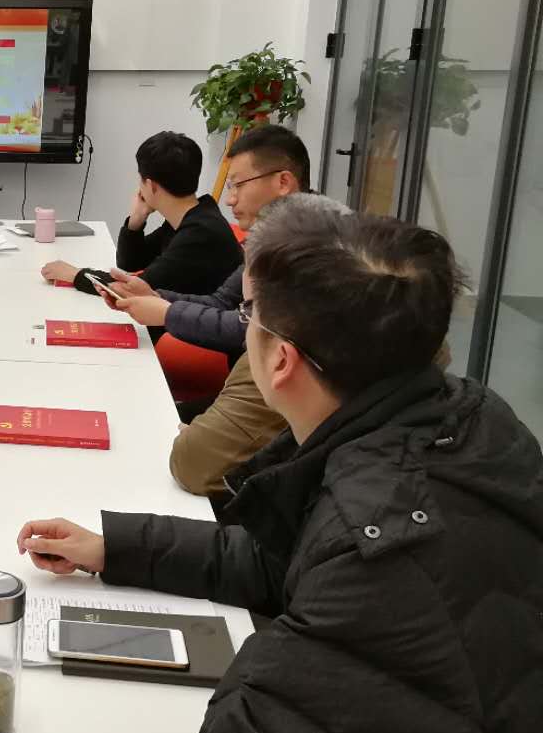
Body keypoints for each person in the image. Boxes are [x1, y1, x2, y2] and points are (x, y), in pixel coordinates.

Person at [16, 202, 543, 733]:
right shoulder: (454, 417)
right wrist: (116, 547)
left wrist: (277, 647)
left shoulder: (381, 544)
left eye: (249, 317)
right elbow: (292, 561)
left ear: (281, 360)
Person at [166, 194, 348, 501]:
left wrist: (203, 437)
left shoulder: (285, 340)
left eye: (249, 311)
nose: (230, 198)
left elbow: (194, 462)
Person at [104, 124, 313, 358]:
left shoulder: (313, 248)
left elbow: (250, 328)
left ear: (283, 183)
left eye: (238, 185)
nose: (229, 200)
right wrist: (156, 297)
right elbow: (223, 301)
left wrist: (167, 312)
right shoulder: (272, 239)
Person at [43, 131, 241, 299]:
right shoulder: (193, 217)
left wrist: (75, 274)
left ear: (151, 185)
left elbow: (132, 289)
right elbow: (130, 263)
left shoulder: (200, 234)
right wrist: (136, 220)